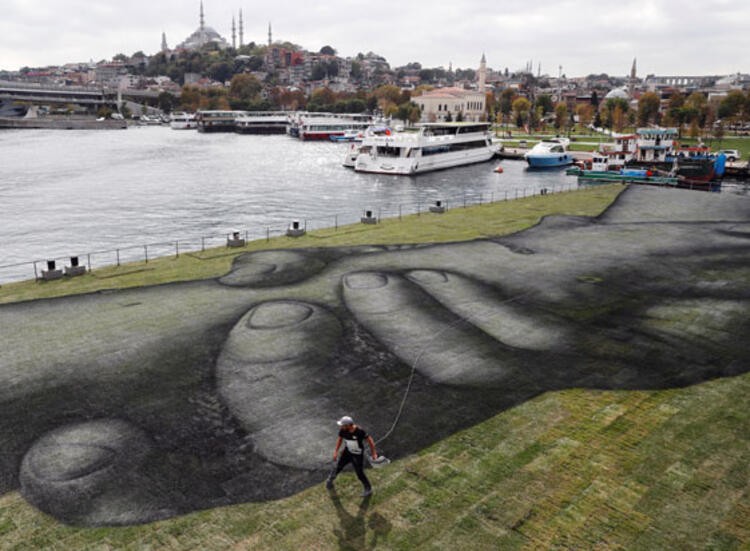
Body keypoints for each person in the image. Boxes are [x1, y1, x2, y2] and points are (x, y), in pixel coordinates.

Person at [326, 416, 377, 497]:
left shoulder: (360, 431)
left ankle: (368, 489)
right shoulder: (343, 430)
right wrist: (336, 451)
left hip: (357, 454)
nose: (341, 427)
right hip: (347, 452)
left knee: (359, 472)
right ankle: (330, 480)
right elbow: (340, 439)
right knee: (338, 466)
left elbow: (370, 440)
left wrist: (374, 453)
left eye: (343, 425)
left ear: (348, 425)